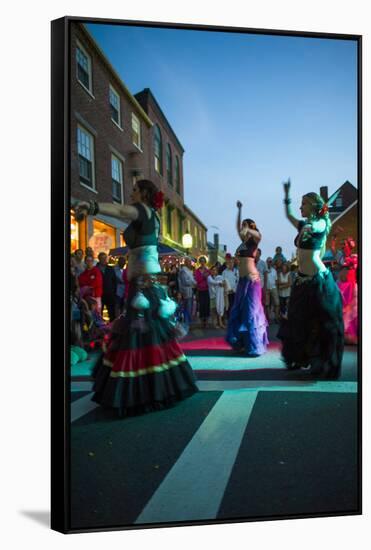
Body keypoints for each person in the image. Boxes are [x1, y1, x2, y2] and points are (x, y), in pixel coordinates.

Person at [75, 179, 198, 416]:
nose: (130, 193)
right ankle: (156, 387)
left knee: (140, 332)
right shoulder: (152, 215)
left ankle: (144, 392)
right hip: (143, 282)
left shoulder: (141, 209)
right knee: (147, 333)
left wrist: (92, 205)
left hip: (142, 284)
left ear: (143, 193)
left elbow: (121, 210)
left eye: (134, 190)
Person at [278, 179, 344, 378]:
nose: (300, 207)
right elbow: (289, 215)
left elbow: (316, 226)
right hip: (302, 280)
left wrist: (309, 227)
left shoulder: (320, 223)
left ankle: (320, 361)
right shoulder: (303, 224)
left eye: (303, 204)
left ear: (314, 206)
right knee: (298, 321)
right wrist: (287, 196)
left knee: (321, 323)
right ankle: (300, 357)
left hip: (318, 281)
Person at [226, 201, 268, 356]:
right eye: (242, 227)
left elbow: (258, 233)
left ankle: (254, 345)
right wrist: (240, 210)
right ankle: (242, 343)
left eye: (245, 226)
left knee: (251, 312)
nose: (242, 229)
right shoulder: (243, 242)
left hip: (251, 280)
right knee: (240, 311)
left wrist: (249, 227)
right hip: (242, 281)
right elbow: (238, 227)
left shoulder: (254, 240)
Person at [97, 252, 117, 322]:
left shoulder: (110, 268)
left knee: (112, 313)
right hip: (99, 295)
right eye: (102, 258)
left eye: (105, 258)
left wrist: (113, 292)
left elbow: (114, 281)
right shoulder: (96, 269)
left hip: (110, 294)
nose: (104, 260)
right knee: (99, 314)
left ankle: (112, 328)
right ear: (99, 259)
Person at [194, 256, 211, 329]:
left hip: (207, 290)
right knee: (201, 306)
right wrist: (203, 277)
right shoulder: (197, 271)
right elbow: (197, 280)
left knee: (206, 306)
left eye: (203, 261)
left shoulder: (208, 270)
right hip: (200, 290)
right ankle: (201, 322)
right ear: (199, 262)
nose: (202, 263)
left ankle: (206, 322)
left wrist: (206, 276)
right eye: (201, 261)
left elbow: (210, 279)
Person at [178, 257, 195, 326]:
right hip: (186, 291)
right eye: (189, 261)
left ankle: (188, 321)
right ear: (185, 262)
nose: (190, 263)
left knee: (189, 307)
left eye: (190, 261)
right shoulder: (183, 271)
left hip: (190, 290)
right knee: (187, 307)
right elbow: (185, 281)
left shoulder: (189, 270)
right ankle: (186, 322)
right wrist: (194, 283)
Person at [264, 257, 280, 323]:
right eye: (268, 261)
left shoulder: (274, 270)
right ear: (266, 262)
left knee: (277, 303)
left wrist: (277, 288)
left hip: (273, 288)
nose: (269, 263)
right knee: (267, 304)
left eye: (270, 261)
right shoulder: (264, 270)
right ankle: (269, 319)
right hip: (267, 289)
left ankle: (276, 318)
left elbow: (276, 280)